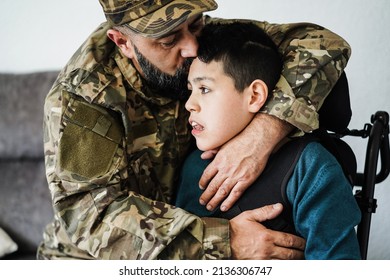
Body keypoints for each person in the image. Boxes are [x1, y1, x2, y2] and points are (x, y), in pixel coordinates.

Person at [38, 0, 351, 260]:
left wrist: (263, 133)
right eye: (169, 39)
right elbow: (91, 218)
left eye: (196, 24)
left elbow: (324, 45)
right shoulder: (84, 98)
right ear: (123, 43)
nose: (191, 47)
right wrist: (225, 241)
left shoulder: (191, 34)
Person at [175, 21, 361, 259]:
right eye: (190, 89)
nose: (190, 104)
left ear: (254, 95)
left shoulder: (310, 168)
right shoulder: (194, 167)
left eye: (204, 89)